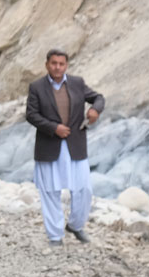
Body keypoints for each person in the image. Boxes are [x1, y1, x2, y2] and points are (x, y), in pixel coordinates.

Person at [23, 49, 105, 246]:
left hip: (75, 144)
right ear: (47, 64)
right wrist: (54, 128)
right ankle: (55, 236)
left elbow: (99, 98)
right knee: (50, 191)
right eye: (53, 63)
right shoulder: (37, 87)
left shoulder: (77, 83)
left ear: (66, 65)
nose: (57, 67)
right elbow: (31, 114)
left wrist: (95, 110)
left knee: (84, 188)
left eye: (61, 64)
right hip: (49, 145)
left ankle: (76, 225)